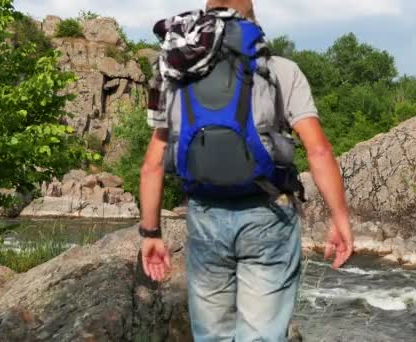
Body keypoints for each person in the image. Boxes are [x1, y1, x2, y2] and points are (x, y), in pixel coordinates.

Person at [138, 0, 354, 340]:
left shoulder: (177, 73)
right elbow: (318, 149)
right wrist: (339, 218)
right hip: (268, 214)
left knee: (212, 335)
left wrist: (151, 234)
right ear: (251, 20)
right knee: (262, 335)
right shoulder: (281, 69)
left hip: (205, 214)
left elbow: (153, 164)